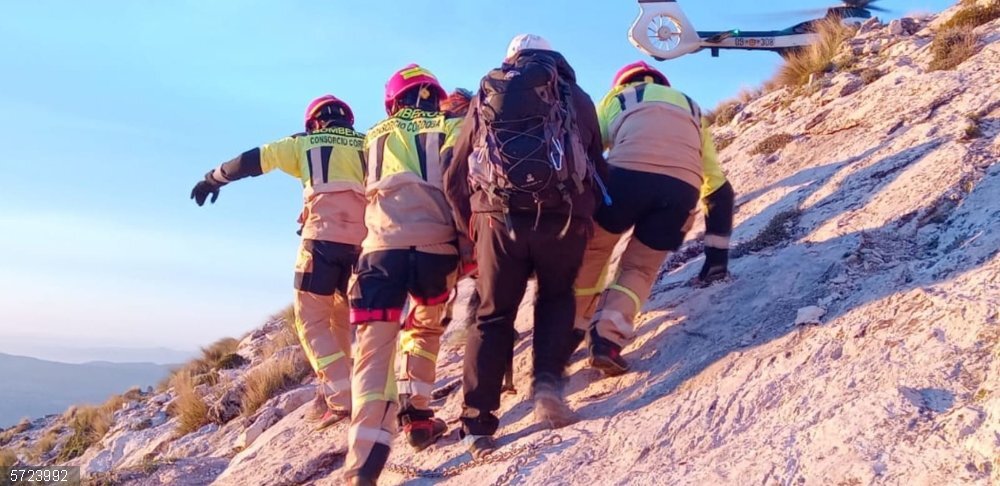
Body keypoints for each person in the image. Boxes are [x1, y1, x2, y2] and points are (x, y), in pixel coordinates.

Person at [444, 34, 608, 458]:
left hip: (496, 221)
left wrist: (473, 228)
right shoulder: (579, 97)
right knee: (555, 299)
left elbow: (454, 173)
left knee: (492, 314)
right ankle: (548, 389)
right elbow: (596, 166)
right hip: (563, 219)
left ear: (511, 60)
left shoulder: (487, 95)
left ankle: (478, 423)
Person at [190, 95, 366, 429]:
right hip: (363, 245)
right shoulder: (368, 144)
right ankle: (338, 389)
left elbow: (254, 160)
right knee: (340, 319)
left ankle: (342, 398)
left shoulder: (305, 143)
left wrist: (213, 178)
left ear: (313, 122)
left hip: (321, 244)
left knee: (313, 322)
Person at [573, 61, 725, 377]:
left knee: (593, 253)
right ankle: (606, 341)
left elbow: (589, 149)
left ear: (623, 82)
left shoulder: (616, 98)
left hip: (625, 178)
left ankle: (570, 330)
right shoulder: (691, 106)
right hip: (683, 189)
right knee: (640, 268)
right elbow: (716, 182)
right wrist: (717, 258)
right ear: (662, 82)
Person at [345, 64, 458, 485]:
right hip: (436, 250)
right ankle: (419, 418)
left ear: (393, 101)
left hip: (381, 254)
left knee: (374, 352)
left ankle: (365, 460)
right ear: (434, 94)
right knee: (426, 329)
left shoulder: (371, 136)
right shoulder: (451, 125)